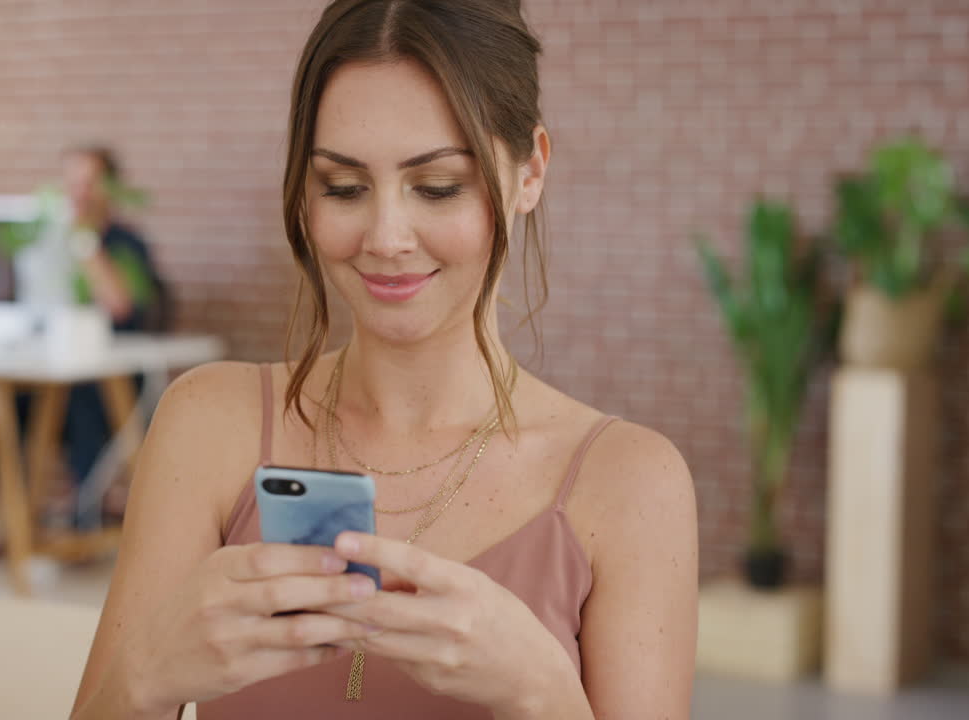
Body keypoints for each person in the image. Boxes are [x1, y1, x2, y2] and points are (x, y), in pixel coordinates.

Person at [71, 1, 697, 718]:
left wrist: (544, 691)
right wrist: (148, 677)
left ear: (530, 172)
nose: (386, 237)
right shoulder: (209, 423)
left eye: (438, 187)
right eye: (344, 187)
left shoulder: (630, 483)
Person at [60, 146, 172, 526]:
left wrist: (86, 244)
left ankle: (85, 521)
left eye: (89, 182)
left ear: (111, 187)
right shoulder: (51, 239)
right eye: (72, 182)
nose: (80, 192)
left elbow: (120, 305)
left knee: (83, 404)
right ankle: (10, 523)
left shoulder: (125, 244)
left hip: (116, 374)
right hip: (60, 368)